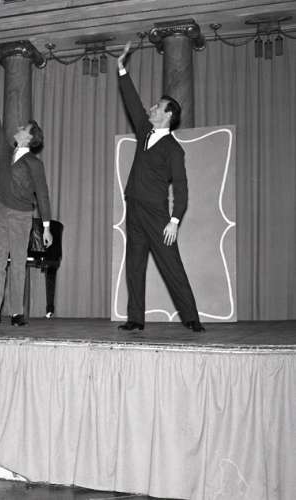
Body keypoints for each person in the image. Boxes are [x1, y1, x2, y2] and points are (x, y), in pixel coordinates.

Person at [116, 41, 204, 333]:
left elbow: (182, 188)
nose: (152, 108)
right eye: (153, 106)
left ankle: (191, 318)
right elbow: (133, 103)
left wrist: (175, 221)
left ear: (168, 114)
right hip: (134, 207)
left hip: (156, 214)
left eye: (157, 106)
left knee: (171, 265)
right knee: (134, 264)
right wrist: (121, 70)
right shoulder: (145, 131)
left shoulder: (174, 150)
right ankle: (135, 318)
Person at [0, 72, 52, 327]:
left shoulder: (34, 163)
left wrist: (46, 227)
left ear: (29, 137)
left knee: (18, 262)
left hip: (22, 215)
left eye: (22, 128)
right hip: (2, 210)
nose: (18, 129)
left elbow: (42, 194)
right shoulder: (5, 151)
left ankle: (17, 312)